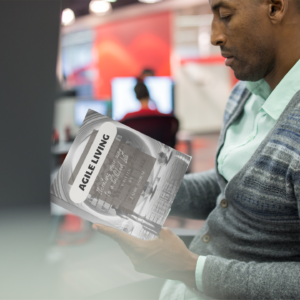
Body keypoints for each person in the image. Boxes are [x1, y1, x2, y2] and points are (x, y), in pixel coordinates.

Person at [92, 0, 300, 299]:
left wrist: (189, 269)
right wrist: (142, 185)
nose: (214, 35)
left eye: (226, 15)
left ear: (276, 7)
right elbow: (227, 190)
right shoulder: (244, 94)